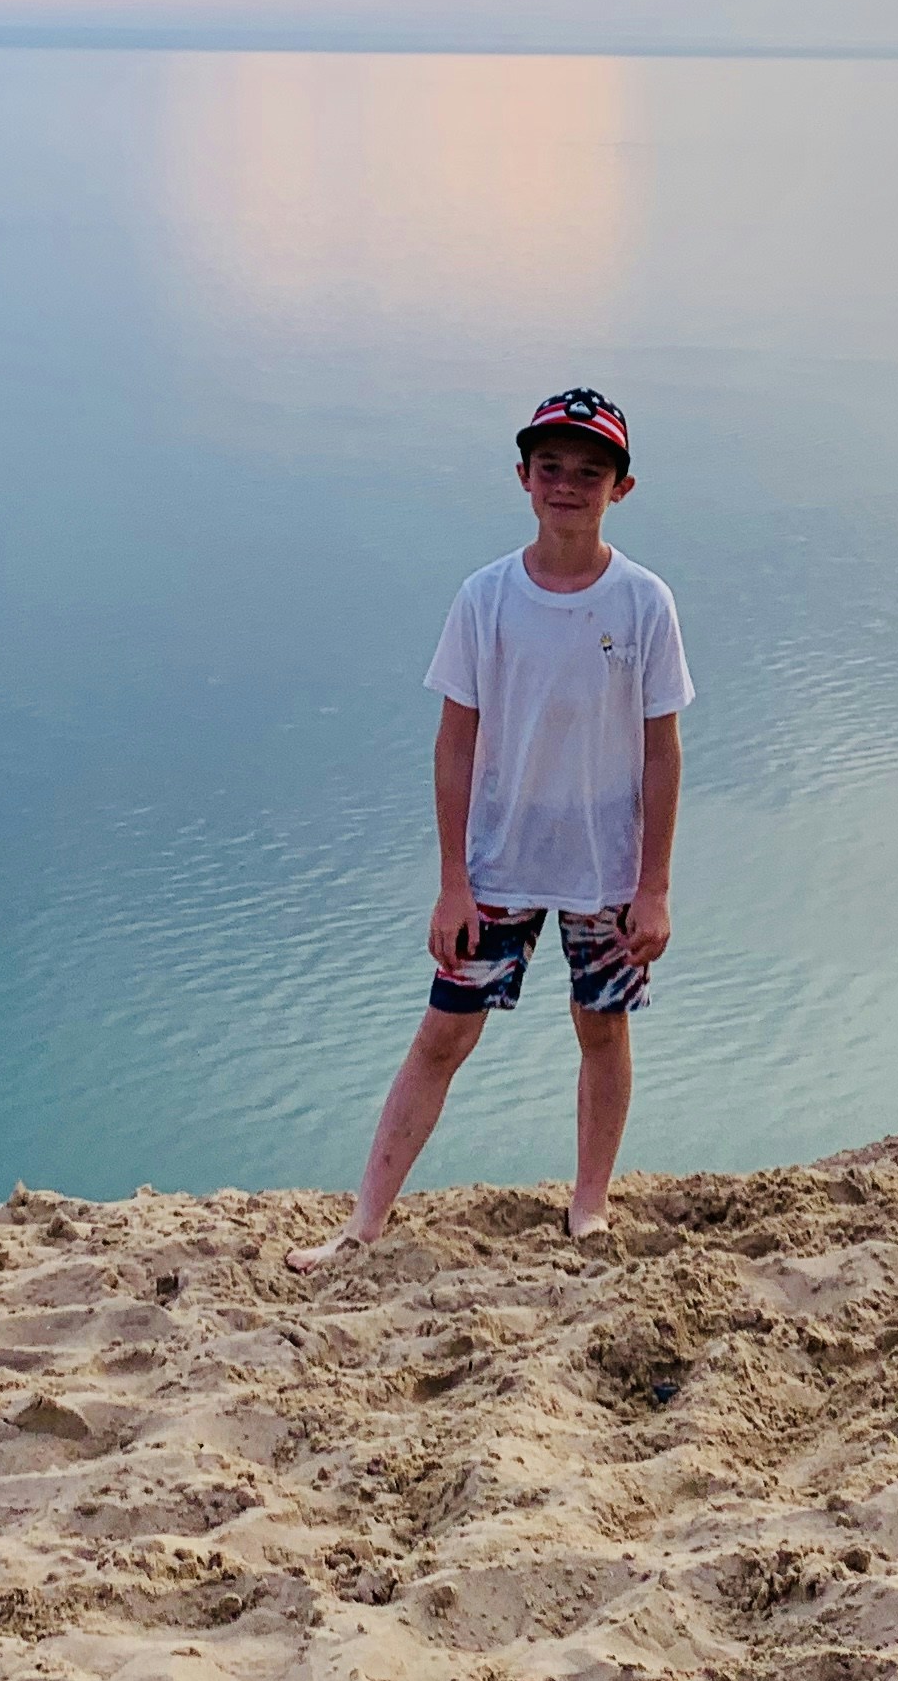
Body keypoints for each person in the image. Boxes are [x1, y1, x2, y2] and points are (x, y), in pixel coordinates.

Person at [291, 387, 690, 1269]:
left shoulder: (644, 602)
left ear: (621, 488)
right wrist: (451, 881)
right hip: (497, 862)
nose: (567, 486)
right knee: (443, 1032)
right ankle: (363, 1223)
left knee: (601, 1027)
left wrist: (655, 887)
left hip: (606, 867)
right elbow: (454, 743)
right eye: (551, 468)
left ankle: (589, 1208)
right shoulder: (485, 597)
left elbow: (663, 751)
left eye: (590, 472)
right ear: (523, 476)